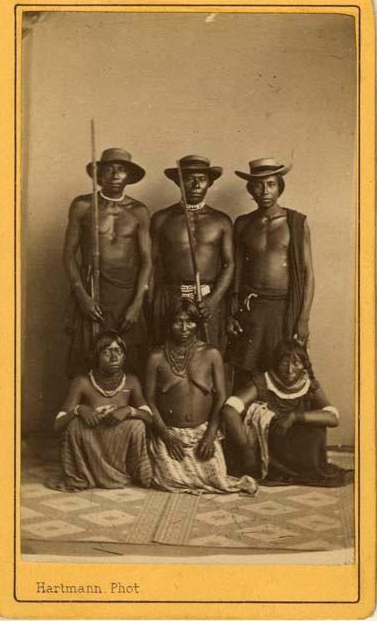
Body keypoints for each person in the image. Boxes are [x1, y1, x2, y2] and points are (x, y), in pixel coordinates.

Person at [145, 298, 257, 495]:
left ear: (198, 324)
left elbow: (221, 397)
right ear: (169, 323)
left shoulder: (211, 354)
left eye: (190, 321)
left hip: (202, 432)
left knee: (216, 478)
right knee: (168, 479)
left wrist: (210, 435)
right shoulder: (156, 357)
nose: (184, 327)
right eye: (178, 321)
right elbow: (149, 401)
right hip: (170, 432)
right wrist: (166, 436)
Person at [226, 158, 314, 391]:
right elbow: (235, 269)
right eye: (259, 185)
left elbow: (308, 275)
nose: (265, 191)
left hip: (283, 308)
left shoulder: (296, 222)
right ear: (251, 189)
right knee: (246, 371)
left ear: (279, 186)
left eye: (271, 184)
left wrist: (303, 319)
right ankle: (245, 424)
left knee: (282, 367)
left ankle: (276, 424)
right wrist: (231, 311)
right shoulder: (243, 223)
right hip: (251, 308)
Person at [63, 148, 152, 378]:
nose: (115, 174)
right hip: (92, 291)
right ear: (99, 175)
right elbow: (68, 254)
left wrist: (137, 304)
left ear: (129, 177)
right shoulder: (82, 206)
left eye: (121, 170)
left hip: (126, 295)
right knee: (87, 357)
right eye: (109, 169)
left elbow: (147, 261)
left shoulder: (139, 211)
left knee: (128, 360)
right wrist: (83, 297)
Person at [222, 339, 352, 487]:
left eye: (296, 363)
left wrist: (295, 416)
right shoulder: (264, 382)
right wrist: (246, 449)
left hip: (294, 443)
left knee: (316, 430)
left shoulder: (308, 383)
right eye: (284, 363)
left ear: (304, 365)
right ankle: (279, 471)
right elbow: (229, 410)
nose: (290, 370)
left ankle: (302, 470)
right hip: (269, 449)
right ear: (276, 363)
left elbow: (333, 418)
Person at [48, 330, 153, 491]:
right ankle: (86, 475)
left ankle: (125, 473)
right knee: (74, 424)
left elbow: (149, 418)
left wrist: (129, 410)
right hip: (93, 442)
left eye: (118, 351)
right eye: (106, 352)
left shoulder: (131, 381)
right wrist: (79, 409)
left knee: (138, 424)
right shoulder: (82, 381)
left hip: (117, 445)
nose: (114, 357)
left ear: (124, 354)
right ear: (95, 356)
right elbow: (58, 425)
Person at [150, 155, 234, 351]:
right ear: (179, 182)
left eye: (202, 179)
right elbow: (152, 263)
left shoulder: (221, 221)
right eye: (189, 179)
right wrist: (152, 304)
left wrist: (213, 301)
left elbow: (230, 264)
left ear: (209, 183)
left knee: (208, 359)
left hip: (207, 300)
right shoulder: (161, 219)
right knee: (170, 360)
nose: (196, 185)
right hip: (171, 300)